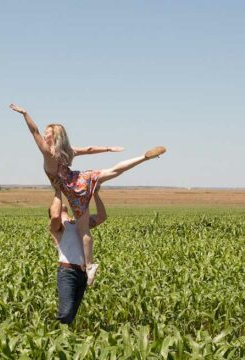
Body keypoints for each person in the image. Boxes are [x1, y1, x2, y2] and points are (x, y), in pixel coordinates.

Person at [10, 103, 166, 285]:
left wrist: (25, 114)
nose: (45, 135)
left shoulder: (48, 153)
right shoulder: (68, 151)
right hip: (81, 179)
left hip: (71, 191)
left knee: (84, 230)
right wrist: (109, 149)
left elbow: (33, 131)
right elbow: (90, 149)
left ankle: (90, 266)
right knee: (113, 171)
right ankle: (143, 158)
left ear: (53, 136)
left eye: (48, 132)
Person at [49, 187, 107, 325]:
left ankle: (62, 337)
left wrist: (96, 194)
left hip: (82, 273)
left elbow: (102, 217)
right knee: (66, 313)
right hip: (67, 272)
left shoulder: (79, 224)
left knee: (71, 315)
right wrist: (57, 191)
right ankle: (52, 331)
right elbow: (56, 215)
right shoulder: (57, 228)